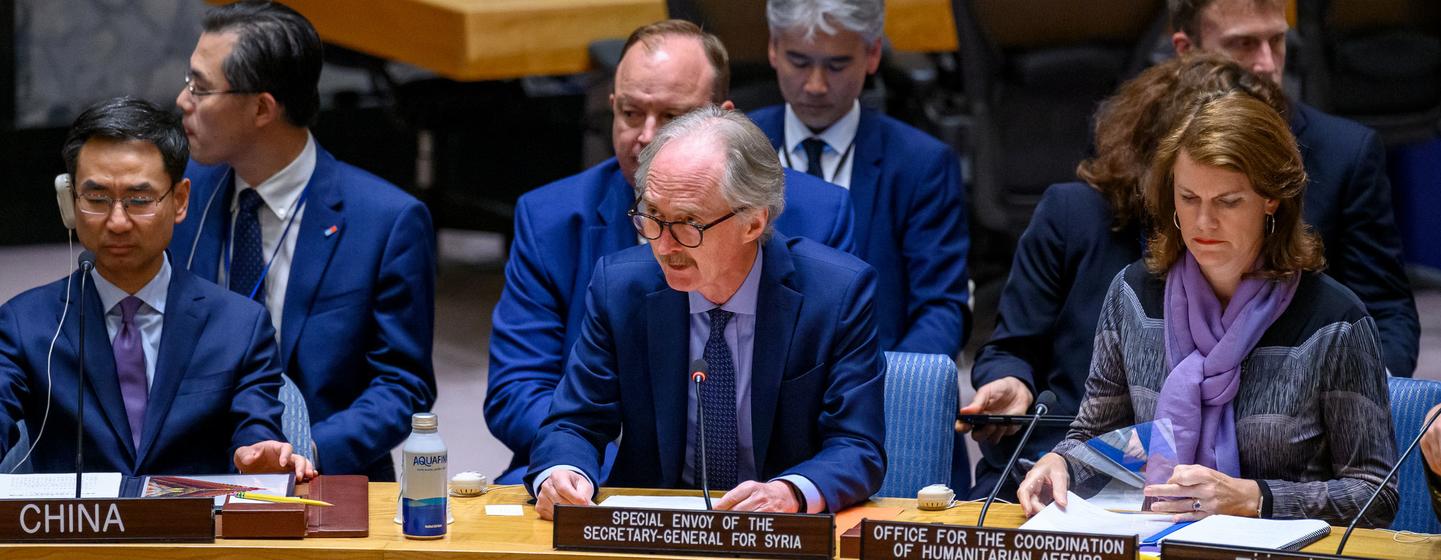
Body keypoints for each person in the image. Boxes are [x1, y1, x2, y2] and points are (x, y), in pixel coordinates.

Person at [486, 20, 857, 484]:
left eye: (672, 118)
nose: (646, 137)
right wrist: (604, 470)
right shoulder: (549, 219)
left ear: (721, 118)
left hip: (768, 479)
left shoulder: (816, 216)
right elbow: (517, 389)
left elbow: (844, 399)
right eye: (630, 112)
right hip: (600, 465)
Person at [1017, 91, 1397, 527]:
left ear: (1271, 199)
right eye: (1189, 197)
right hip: (1157, 538)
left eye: (1228, 201)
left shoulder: (1335, 324)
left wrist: (1253, 498)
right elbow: (1095, 438)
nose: (1203, 223)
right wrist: (1062, 462)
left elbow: (1376, 493)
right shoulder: (1134, 297)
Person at [526, 106, 885, 520]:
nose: (664, 246)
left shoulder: (836, 295)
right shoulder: (620, 289)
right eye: (653, 217)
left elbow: (857, 446)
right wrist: (563, 473)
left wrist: (789, 492)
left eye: (689, 223)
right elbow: (573, 423)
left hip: (779, 531)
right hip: (652, 530)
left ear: (753, 223)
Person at [961, 55, 1286, 501]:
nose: (1205, 216)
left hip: (1208, 485)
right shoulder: (1073, 217)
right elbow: (1011, 347)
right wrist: (1011, 380)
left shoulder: (1262, 257)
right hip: (1066, 466)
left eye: (1229, 195)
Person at [169, 1, 436, 481]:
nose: (182, 101)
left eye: (200, 88)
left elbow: (403, 386)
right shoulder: (181, 195)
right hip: (192, 472)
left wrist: (306, 449)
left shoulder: (385, 221)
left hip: (322, 476)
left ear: (262, 108)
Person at [0, 97, 314, 479]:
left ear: (179, 201)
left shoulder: (240, 327)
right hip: (78, 520)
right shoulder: (25, 325)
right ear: (70, 203)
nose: (117, 222)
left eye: (139, 200)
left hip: (196, 518)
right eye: (97, 199)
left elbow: (257, 434)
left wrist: (260, 457)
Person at [1169, 0, 1418, 376]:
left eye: (1276, 41)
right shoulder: (1146, 147)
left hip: (1310, 384)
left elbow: (1385, 311)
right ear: (1187, 50)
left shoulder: (1346, 153)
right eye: (1243, 44)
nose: (1267, 64)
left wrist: (1370, 391)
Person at [754, 0, 970, 357]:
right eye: (800, 62)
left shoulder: (921, 164)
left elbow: (941, 307)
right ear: (773, 49)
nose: (815, 85)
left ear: (872, 55)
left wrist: (894, 384)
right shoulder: (731, 147)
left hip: (878, 370)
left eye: (836, 65)